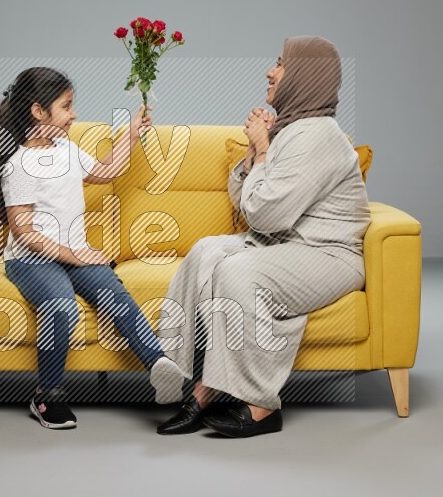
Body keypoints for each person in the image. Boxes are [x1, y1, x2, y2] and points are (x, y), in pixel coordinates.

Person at [151, 36, 372, 437]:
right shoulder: (293, 129)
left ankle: (260, 405)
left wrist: (262, 147)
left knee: (240, 273)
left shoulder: (318, 136)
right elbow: (246, 203)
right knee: (205, 252)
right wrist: (257, 155)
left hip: (327, 254)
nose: (270, 72)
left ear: (305, 76)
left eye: (280, 64)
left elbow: (266, 214)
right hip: (287, 244)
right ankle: (183, 375)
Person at [0, 67, 185, 430]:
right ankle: (48, 395)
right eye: (66, 106)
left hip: (75, 252)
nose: (74, 114)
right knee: (60, 305)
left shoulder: (66, 148)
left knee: (114, 294)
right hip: (31, 259)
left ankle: (157, 365)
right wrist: (75, 255)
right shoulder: (20, 164)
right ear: (38, 111)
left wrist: (132, 134)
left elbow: (106, 171)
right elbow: (23, 231)